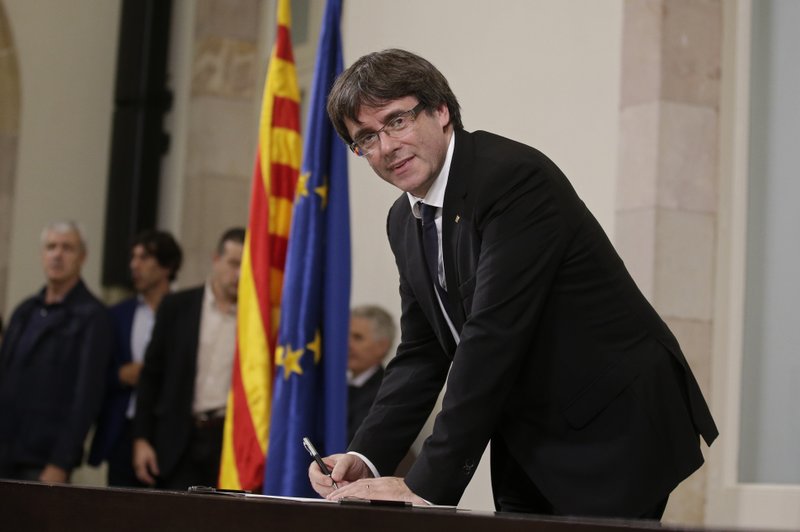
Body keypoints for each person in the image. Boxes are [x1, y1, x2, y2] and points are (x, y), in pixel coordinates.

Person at [308, 49, 718, 519]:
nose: (385, 148)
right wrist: (365, 458)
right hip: (528, 430)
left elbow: (492, 334)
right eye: (365, 139)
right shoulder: (404, 219)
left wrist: (425, 485)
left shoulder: (512, 179)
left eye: (396, 120)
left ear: (441, 111)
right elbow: (423, 351)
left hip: (611, 421)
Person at [132, 227, 244, 490]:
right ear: (216, 259)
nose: (239, 275)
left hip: (229, 441)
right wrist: (141, 438)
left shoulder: (257, 323)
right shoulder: (177, 307)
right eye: (233, 263)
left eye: (246, 266)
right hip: (177, 437)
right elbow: (151, 377)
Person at [0, 221, 111, 483]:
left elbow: (87, 397)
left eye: (67, 248)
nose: (57, 255)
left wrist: (61, 461)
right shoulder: (25, 310)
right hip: (5, 449)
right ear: (42, 255)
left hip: (44, 459)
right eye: (51, 247)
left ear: (82, 257)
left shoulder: (93, 316)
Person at [88, 230, 183, 486]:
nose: (134, 265)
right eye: (133, 257)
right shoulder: (118, 314)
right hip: (123, 426)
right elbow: (95, 374)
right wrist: (120, 375)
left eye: (144, 257)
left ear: (167, 266)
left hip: (167, 428)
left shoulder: (184, 312)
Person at [347, 305, 395, 444]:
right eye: (346, 336)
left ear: (382, 347)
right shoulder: (336, 386)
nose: (347, 344)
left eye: (357, 337)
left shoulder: (387, 391)